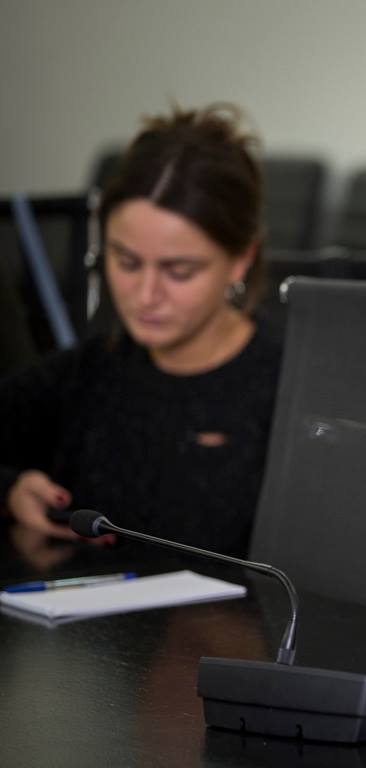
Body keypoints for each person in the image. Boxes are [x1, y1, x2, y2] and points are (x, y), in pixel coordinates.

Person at [0, 105, 281, 558]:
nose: (146, 295)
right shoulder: (88, 373)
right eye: (126, 261)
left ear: (241, 259)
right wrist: (11, 489)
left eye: (179, 270)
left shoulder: (291, 392)